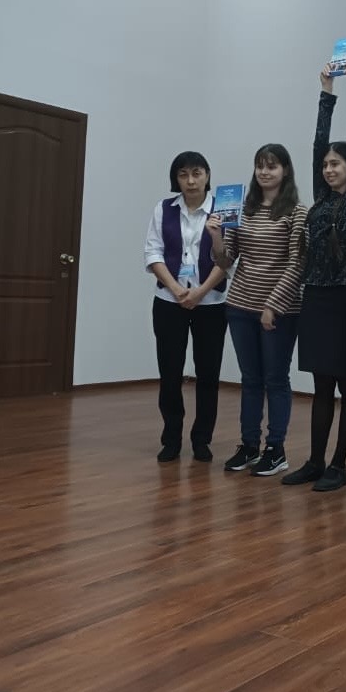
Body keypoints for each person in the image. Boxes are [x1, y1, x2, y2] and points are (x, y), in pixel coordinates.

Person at [282, 60, 346, 493]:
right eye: (326, 165)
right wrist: (325, 93)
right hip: (316, 297)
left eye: (337, 164)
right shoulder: (321, 198)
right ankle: (315, 461)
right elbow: (319, 143)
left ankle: (339, 464)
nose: (329, 168)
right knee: (321, 385)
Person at [207, 144, 307, 477]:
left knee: (275, 379)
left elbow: (297, 264)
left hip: (279, 310)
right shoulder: (242, 208)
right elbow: (226, 259)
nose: (265, 172)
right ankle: (249, 445)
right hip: (239, 305)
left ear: (285, 170)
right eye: (260, 166)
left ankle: (275, 450)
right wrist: (216, 237)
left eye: (272, 166)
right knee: (250, 380)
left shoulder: (297, 212)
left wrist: (272, 306)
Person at [144, 152, 229, 463]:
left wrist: (201, 291)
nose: (191, 181)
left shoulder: (225, 210)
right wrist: (178, 289)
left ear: (207, 175)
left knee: (208, 374)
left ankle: (202, 440)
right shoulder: (163, 208)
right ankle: (171, 439)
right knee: (169, 372)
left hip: (212, 302)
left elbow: (229, 258)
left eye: (197, 173)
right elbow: (153, 253)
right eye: (183, 174)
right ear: (175, 179)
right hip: (170, 301)